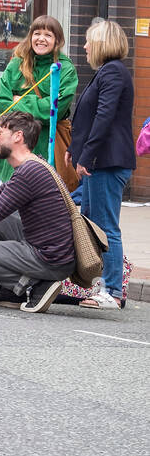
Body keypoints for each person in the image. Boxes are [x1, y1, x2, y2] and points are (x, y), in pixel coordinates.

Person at [0, 112, 75, 313]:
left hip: (49, 259)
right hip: (50, 251)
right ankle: (11, 291)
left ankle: (32, 286)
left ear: (18, 136)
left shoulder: (29, 172)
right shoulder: (31, 166)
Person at [66, 19, 135, 310]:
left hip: (106, 162)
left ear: (102, 44)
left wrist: (86, 156)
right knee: (93, 225)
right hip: (99, 160)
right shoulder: (107, 72)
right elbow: (90, 117)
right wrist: (75, 148)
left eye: (88, 41)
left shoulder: (114, 73)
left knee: (105, 226)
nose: (84, 46)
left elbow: (104, 119)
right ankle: (97, 285)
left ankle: (113, 290)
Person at [0, 15, 77, 183]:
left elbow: (53, 111)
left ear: (57, 41)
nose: (41, 39)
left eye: (48, 35)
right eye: (37, 33)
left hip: (45, 152)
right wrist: (38, 104)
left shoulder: (66, 70)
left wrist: (19, 101)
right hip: (12, 155)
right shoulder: (15, 65)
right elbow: (3, 106)